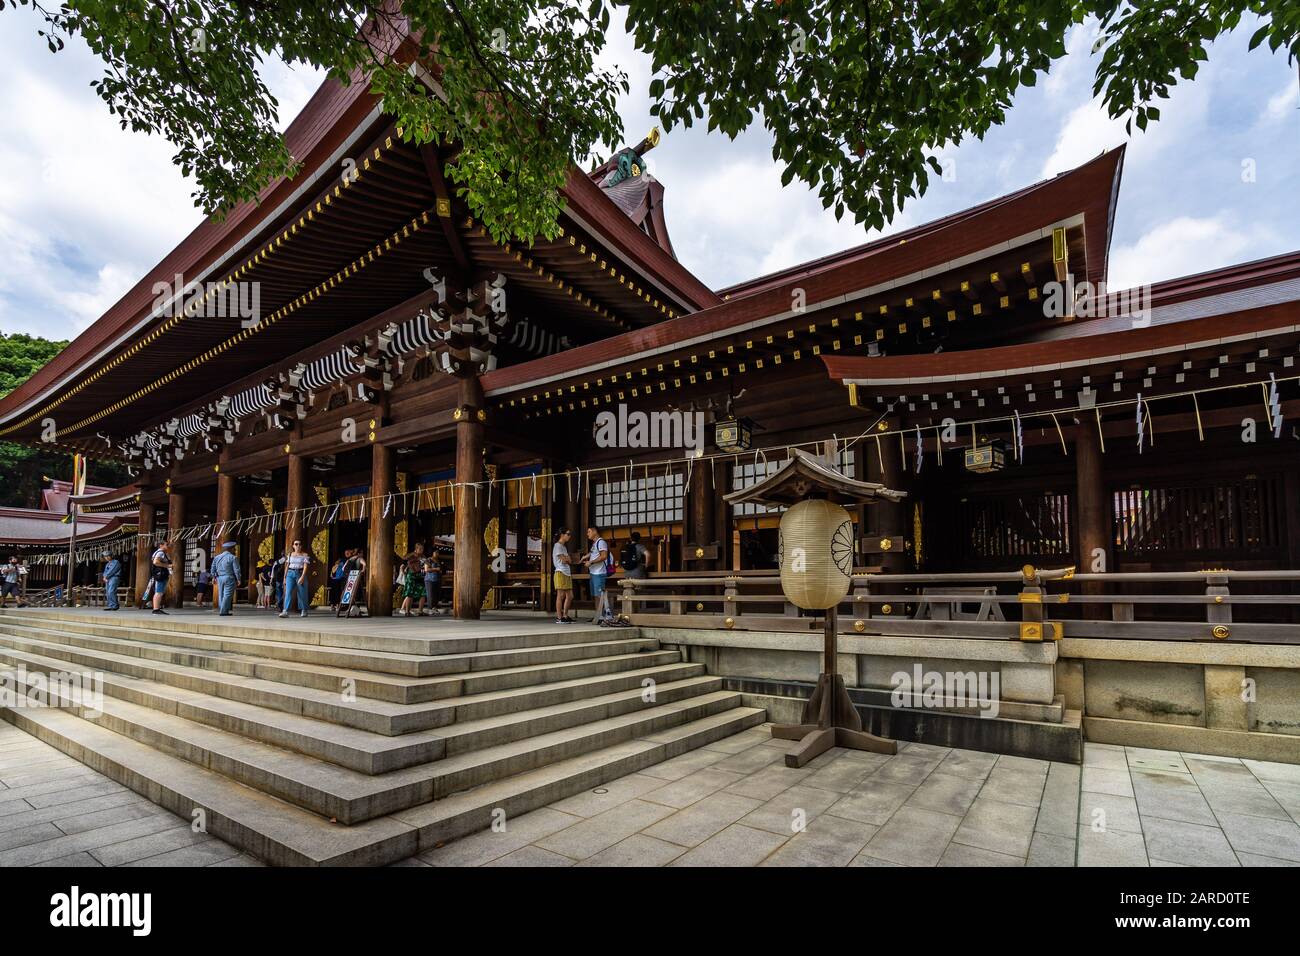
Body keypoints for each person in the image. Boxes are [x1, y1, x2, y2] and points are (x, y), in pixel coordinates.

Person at [580, 526, 615, 625]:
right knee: (596, 596)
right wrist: (584, 557)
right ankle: (598, 616)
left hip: (599, 572)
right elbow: (592, 553)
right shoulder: (595, 543)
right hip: (594, 572)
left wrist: (590, 562)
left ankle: (604, 616)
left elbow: (603, 556)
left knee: (600, 596)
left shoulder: (601, 542)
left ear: (595, 531)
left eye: (589, 531)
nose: (587, 534)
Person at [279, 540, 311, 618]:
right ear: (293, 546)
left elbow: (305, 567)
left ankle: (304, 610)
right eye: (296, 544)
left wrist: (302, 577)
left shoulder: (304, 555)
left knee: (302, 592)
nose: (298, 546)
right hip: (290, 573)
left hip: (300, 573)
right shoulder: (290, 554)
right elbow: (287, 566)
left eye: (299, 544)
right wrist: (284, 577)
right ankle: (285, 611)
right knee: (288, 592)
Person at [210, 541, 241, 616]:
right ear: (231, 549)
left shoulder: (217, 557)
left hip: (219, 578)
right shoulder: (233, 557)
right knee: (227, 594)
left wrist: (214, 577)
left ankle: (223, 609)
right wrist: (238, 579)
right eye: (234, 549)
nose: (235, 550)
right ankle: (223, 611)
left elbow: (213, 568)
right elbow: (236, 570)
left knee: (221, 594)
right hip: (229, 577)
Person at [552, 528, 575, 624]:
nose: (569, 536)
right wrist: (567, 559)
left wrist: (567, 559)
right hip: (560, 572)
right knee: (560, 595)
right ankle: (559, 617)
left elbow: (569, 560)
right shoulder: (557, 546)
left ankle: (565, 615)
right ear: (562, 534)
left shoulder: (563, 547)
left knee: (570, 596)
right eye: (568, 534)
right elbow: (566, 560)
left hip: (566, 572)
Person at [150, 541, 174, 614]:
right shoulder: (160, 553)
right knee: (159, 592)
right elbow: (156, 562)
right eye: (166, 545)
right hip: (160, 574)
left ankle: (156, 608)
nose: (168, 546)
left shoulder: (158, 552)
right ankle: (156, 609)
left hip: (160, 573)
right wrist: (168, 566)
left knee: (159, 591)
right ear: (161, 545)